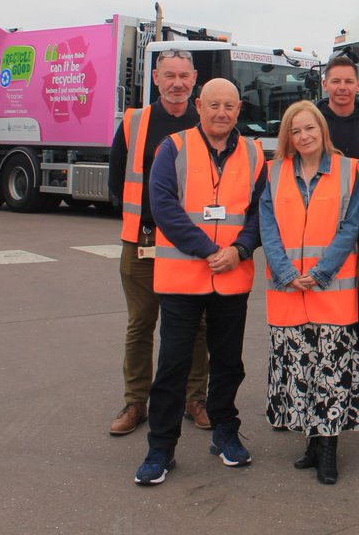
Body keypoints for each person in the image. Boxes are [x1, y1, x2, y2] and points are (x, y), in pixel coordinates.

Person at [134, 79, 266, 486]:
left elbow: (262, 212)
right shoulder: (172, 148)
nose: (221, 112)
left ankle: (225, 432)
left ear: (238, 109)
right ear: (199, 106)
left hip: (232, 278)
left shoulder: (253, 152)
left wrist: (240, 250)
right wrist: (207, 249)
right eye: (213, 105)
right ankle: (161, 447)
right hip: (182, 279)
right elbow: (163, 207)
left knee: (228, 364)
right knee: (172, 365)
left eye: (229, 105)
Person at [260, 100, 359, 484]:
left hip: (331, 291)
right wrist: (286, 272)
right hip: (287, 290)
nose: (304, 136)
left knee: (331, 374)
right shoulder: (273, 172)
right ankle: (309, 441)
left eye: (310, 128)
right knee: (299, 372)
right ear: (287, 136)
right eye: (295, 130)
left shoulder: (349, 170)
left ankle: (328, 450)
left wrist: (321, 273)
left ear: (323, 131)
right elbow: (267, 226)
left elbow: (351, 227)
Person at [106, 48, 210, 437]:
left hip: (192, 244)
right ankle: (136, 403)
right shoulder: (136, 123)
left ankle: (194, 398)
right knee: (141, 324)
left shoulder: (206, 121)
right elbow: (117, 182)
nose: (178, 83)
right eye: (170, 75)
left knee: (196, 325)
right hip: (143, 241)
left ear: (194, 78)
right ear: (155, 78)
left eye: (184, 76)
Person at [316, 52, 359, 417]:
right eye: (336, 81)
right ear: (325, 84)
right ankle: (312, 389)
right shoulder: (311, 119)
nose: (342, 88)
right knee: (314, 317)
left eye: (349, 82)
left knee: (357, 316)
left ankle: (351, 388)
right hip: (316, 234)